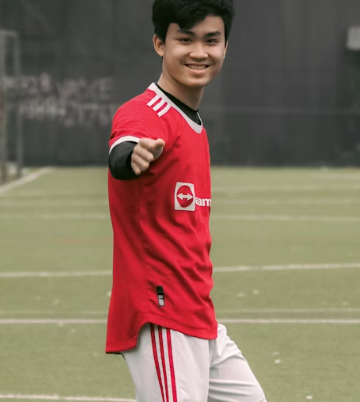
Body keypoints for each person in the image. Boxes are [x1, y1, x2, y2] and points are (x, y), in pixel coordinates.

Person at [106, 0, 266, 401]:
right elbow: (124, 147)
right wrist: (131, 156)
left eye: (211, 40)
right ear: (160, 44)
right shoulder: (147, 112)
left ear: (225, 46)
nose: (199, 52)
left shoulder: (192, 123)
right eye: (185, 39)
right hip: (162, 313)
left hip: (198, 314)